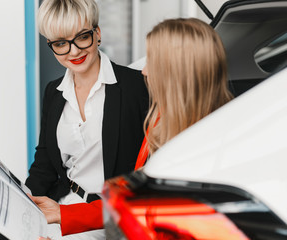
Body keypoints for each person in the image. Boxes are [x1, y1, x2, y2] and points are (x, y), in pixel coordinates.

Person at [35, 17, 234, 240]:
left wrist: (67, 216)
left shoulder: (210, 145)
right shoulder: (160, 122)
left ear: (177, 73)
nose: (144, 71)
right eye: (60, 43)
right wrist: (64, 214)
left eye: (153, 63)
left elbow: (154, 212)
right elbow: (138, 199)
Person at [0, 0, 148, 239]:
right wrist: (18, 212)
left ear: (97, 34)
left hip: (107, 216)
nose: (74, 51)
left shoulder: (135, 86)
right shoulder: (54, 92)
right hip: (62, 204)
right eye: (60, 43)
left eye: (82, 37)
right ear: (51, 45)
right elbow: (44, 163)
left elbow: (150, 170)